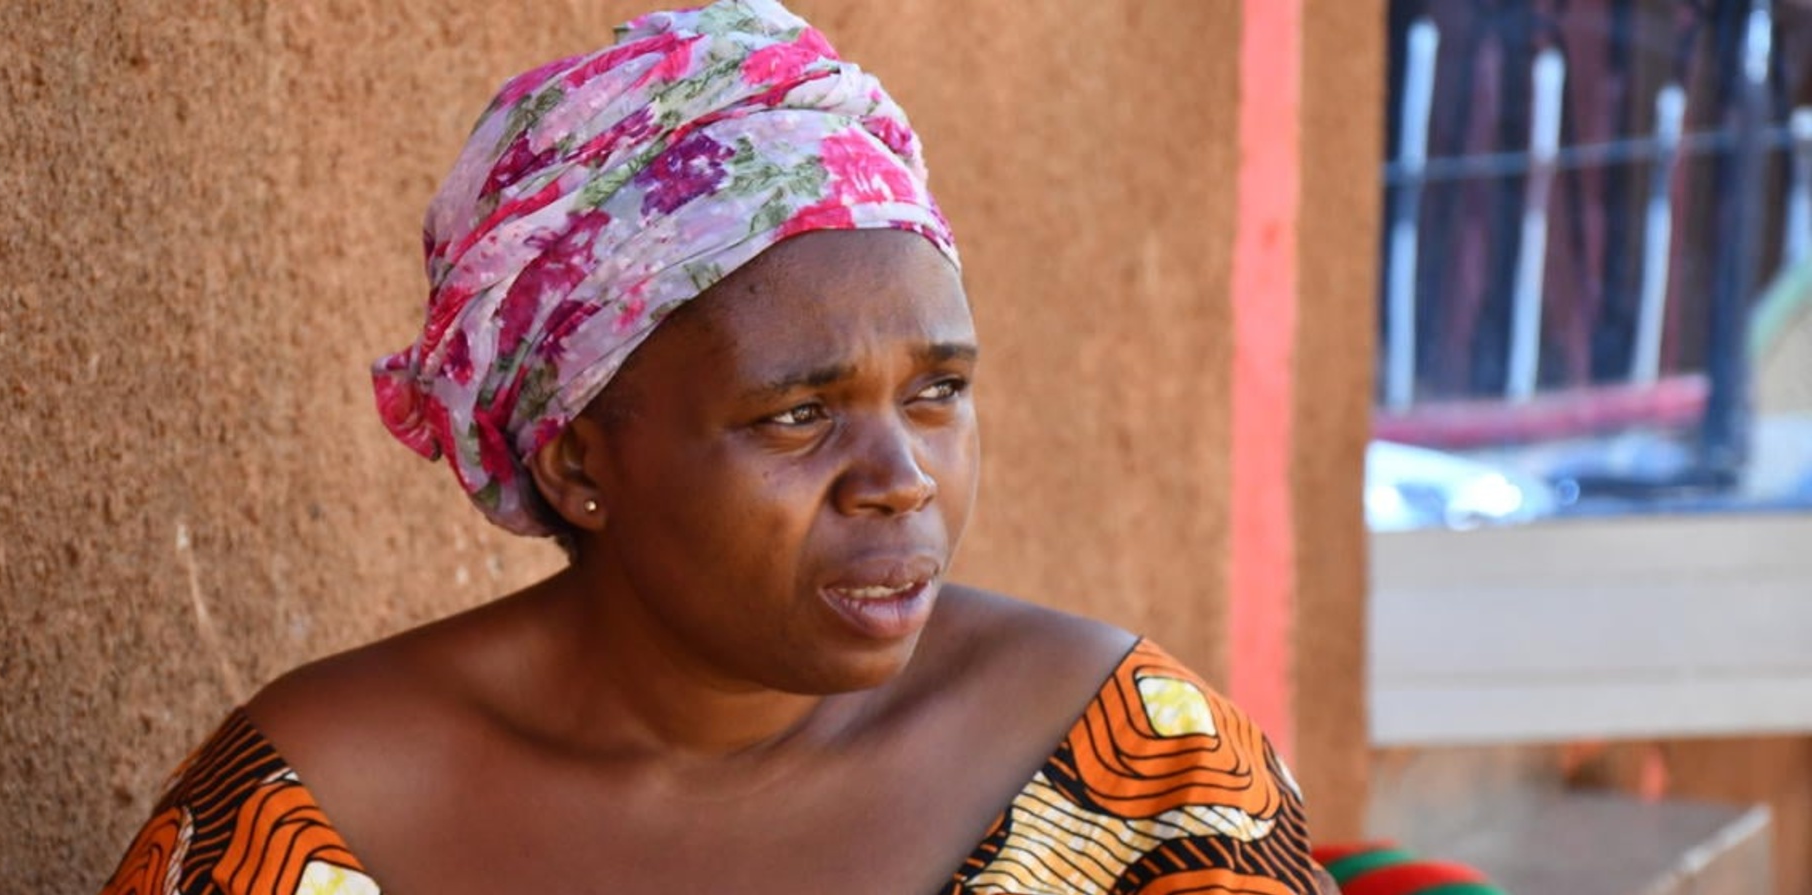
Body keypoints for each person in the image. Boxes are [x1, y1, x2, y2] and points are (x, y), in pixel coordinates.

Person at [100, 2, 1335, 893]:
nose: (900, 477)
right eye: (797, 414)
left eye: (938, 391)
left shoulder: (1132, 775)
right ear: (580, 465)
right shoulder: (322, 815)